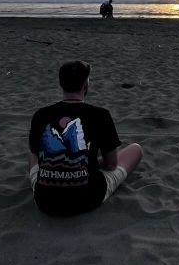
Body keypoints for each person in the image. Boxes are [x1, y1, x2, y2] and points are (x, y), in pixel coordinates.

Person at [27, 60, 143, 216]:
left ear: (61, 84)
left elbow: (38, 156)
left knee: (33, 152)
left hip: (45, 201)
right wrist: (91, 162)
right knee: (136, 149)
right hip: (88, 199)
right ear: (86, 85)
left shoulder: (41, 115)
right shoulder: (100, 115)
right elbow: (111, 164)